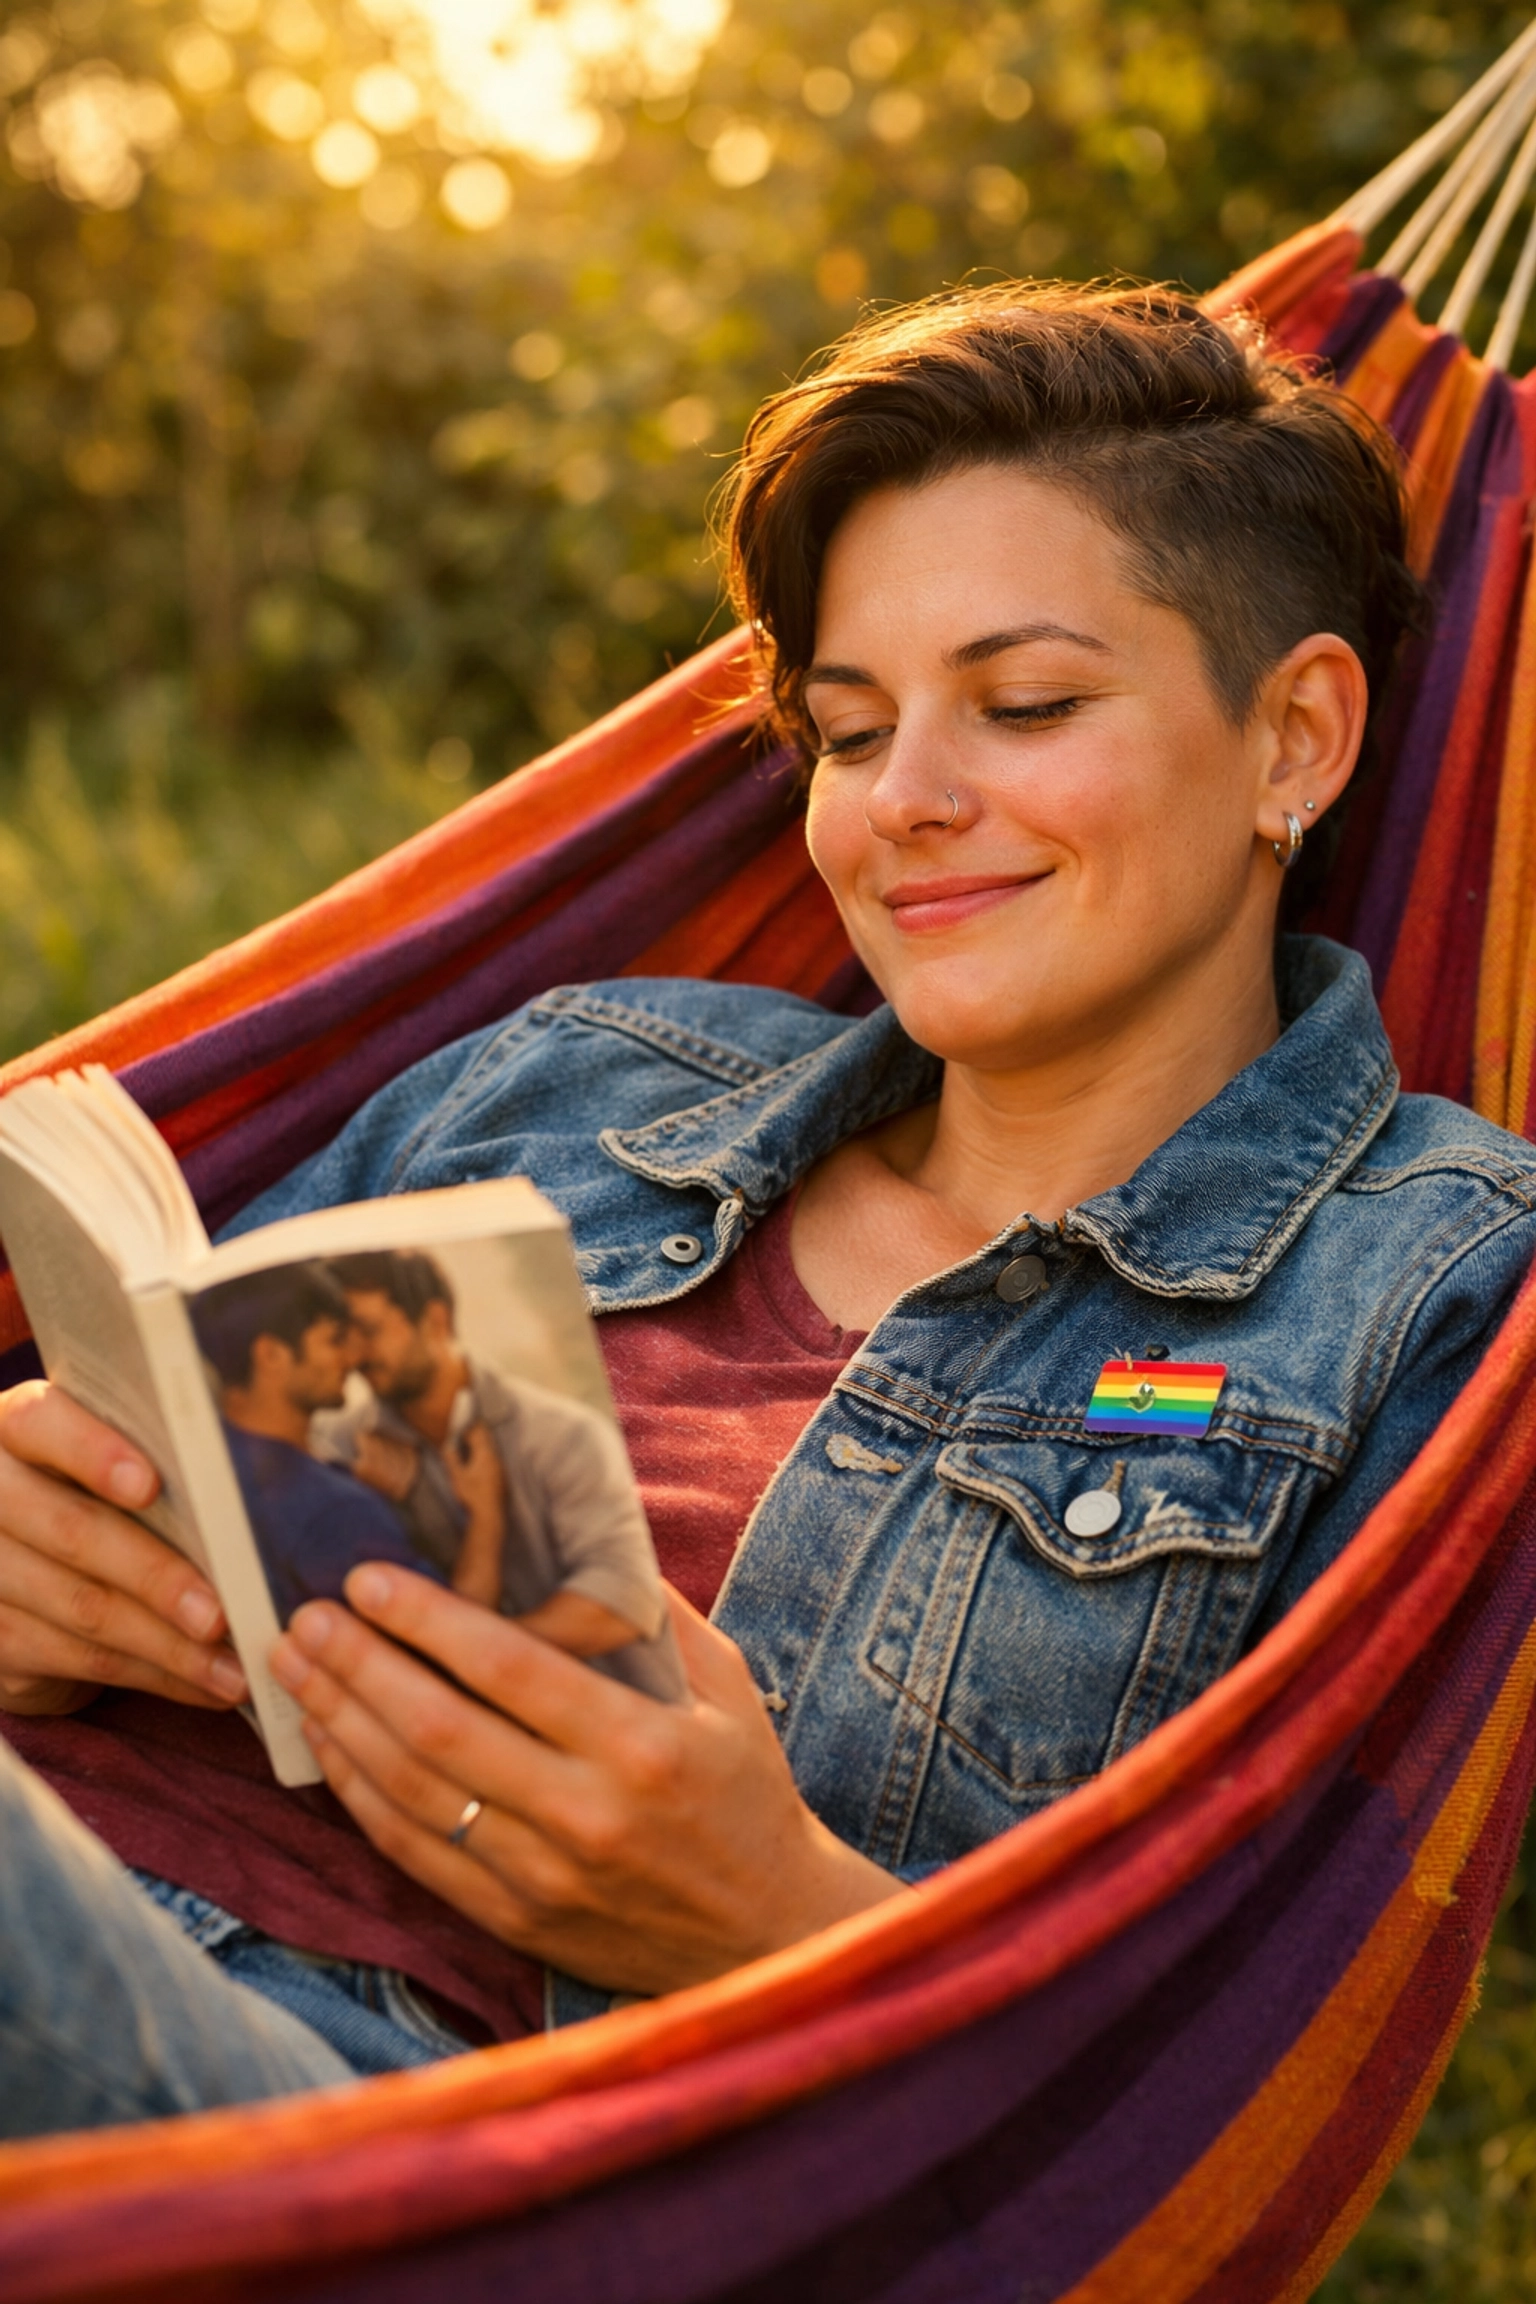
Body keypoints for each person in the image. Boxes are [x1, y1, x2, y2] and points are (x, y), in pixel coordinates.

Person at [2, 281, 1536, 2133]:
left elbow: (1232, 2090)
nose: (904, 801)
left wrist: (770, 1914)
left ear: (1294, 736)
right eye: (850, 729)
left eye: (1024, 705)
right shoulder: (575, 1079)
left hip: (369, 2131)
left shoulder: (1436, 1293)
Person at [315, 1250, 672, 1690]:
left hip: (608, 1702)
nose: (354, 1355)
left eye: (368, 1331)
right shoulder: (341, 1449)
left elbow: (622, 1599)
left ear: (435, 1321)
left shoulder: (563, 1435)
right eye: (342, 1336)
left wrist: (462, 1662)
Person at [190, 1263, 430, 1624]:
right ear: (271, 1355)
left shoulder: (208, 1458)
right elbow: (444, 1629)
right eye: (334, 1340)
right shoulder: (339, 1510)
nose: (352, 1358)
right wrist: (486, 1516)